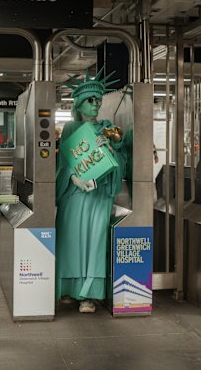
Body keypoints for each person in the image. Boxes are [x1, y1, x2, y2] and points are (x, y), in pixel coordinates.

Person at [55, 69, 125, 313]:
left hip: (98, 195)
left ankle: (88, 295)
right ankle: (68, 288)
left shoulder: (108, 129)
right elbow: (62, 163)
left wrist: (111, 149)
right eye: (90, 101)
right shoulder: (70, 129)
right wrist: (73, 178)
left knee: (95, 242)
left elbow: (120, 162)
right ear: (78, 104)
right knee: (70, 240)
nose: (95, 105)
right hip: (74, 196)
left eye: (98, 100)